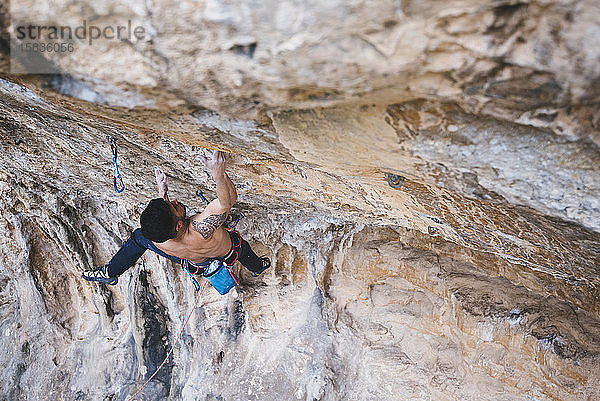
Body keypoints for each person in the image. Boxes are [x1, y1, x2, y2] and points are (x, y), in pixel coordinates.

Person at [81, 150, 270, 286]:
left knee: (139, 237)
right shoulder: (200, 228)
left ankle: (111, 272)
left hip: (194, 262)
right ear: (180, 225)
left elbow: (161, 224)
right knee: (241, 247)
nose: (176, 200)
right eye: (173, 205)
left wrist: (162, 192)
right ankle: (258, 267)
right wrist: (218, 175)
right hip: (225, 252)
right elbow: (227, 202)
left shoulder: (156, 238)